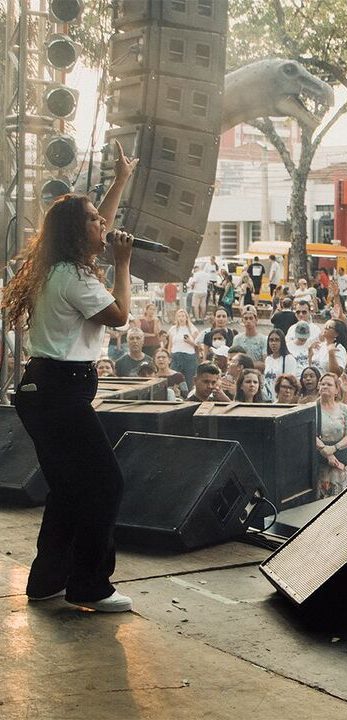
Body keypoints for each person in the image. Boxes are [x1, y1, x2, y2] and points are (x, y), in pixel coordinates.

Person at [2, 140, 138, 612]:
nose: (106, 225)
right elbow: (119, 315)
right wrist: (122, 263)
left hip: (45, 389)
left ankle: (47, 581)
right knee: (105, 485)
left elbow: (91, 222)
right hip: (60, 391)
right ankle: (90, 586)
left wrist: (120, 182)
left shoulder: (58, 267)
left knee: (69, 488)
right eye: (96, 222)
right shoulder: (77, 279)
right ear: (78, 233)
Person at [315, 373, 347, 498]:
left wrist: (334, 448)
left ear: (337, 390)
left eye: (329, 384)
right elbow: (309, 434)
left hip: (339, 460)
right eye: (322, 384)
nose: (325, 387)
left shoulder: (345, 409)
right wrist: (326, 451)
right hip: (320, 461)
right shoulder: (312, 408)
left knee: (339, 497)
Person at [167, 308, 199, 389]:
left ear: (186, 317)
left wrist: (190, 342)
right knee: (173, 380)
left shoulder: (192, 329)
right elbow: (170, 345)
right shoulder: (173, 329)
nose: (181, 318)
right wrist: (168, 357)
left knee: (190, 381)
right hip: (175, 356)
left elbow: (198, 346)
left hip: (189, 357)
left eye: (183, 316)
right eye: (179, 316)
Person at [263, 329, 297, 401]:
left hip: (280, 399)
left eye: (277, 340)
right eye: (271, 340)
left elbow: (291, 383)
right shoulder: (268, 359)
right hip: (267, 398)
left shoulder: (289, 359)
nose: (273, 343)